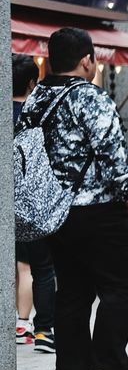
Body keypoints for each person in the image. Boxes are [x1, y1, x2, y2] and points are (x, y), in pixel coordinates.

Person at [28, 28, 128, 370]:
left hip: (55, 211)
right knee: (121, 285)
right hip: (97, 208)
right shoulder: (90, 97)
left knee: (73, 290)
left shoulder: (36, 100)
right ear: (86, 61)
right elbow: (112, 148)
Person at [13, 55, 56, 354]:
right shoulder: (38, 116)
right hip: (35, 203)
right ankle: (42, 331)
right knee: (41, 268)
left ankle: (19, 323)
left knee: (19, 267)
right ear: (32, 83)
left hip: (8, 204)